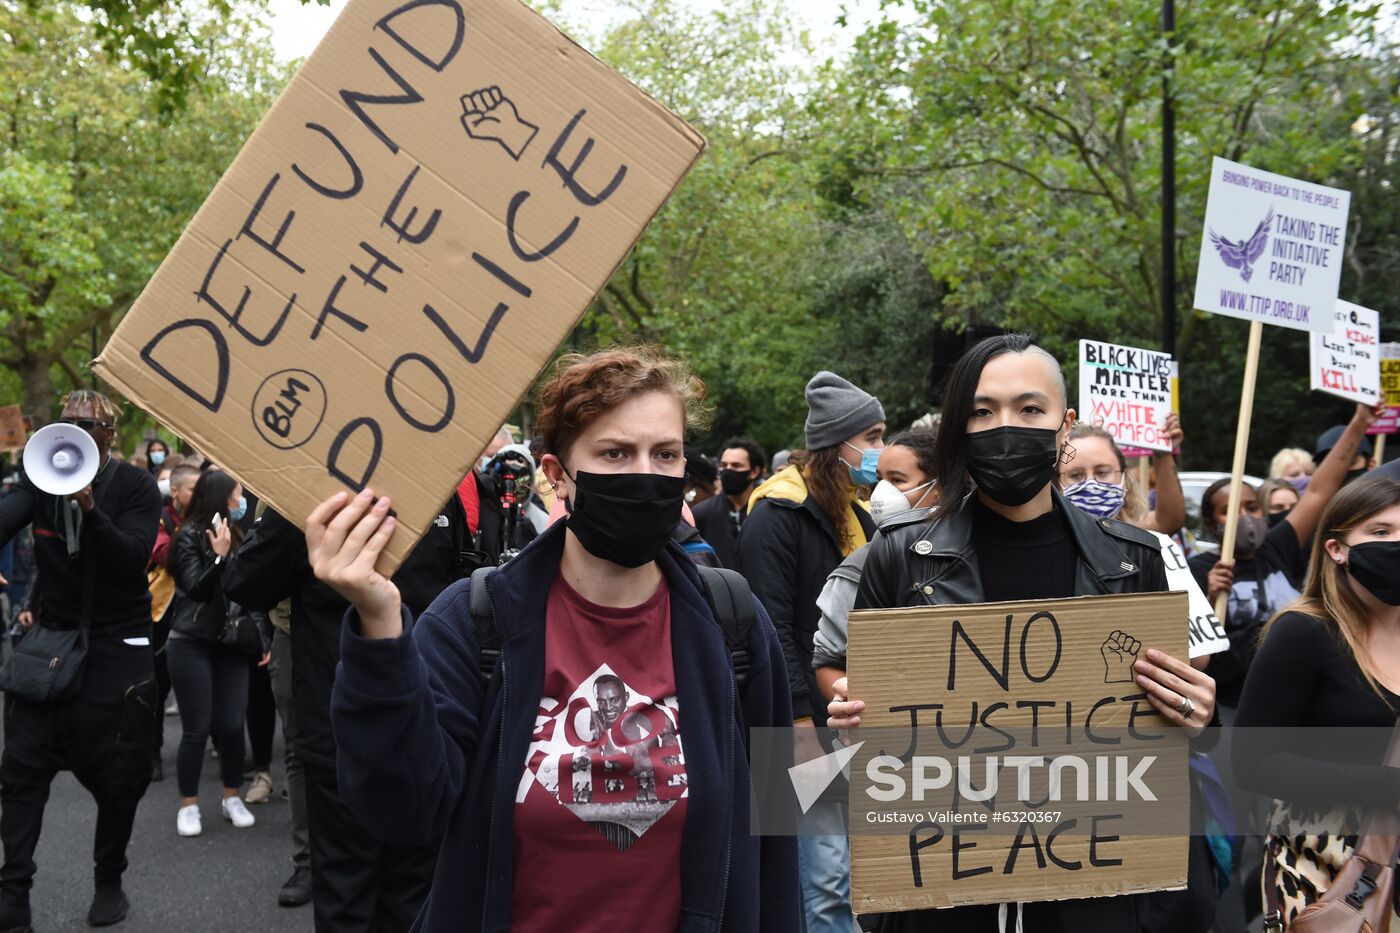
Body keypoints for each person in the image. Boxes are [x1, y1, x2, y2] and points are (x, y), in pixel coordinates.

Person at [320, 347, 800, 930]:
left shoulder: (734, 622)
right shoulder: (474, 620)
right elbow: (402, 813)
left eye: (665, 454)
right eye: (615, 453)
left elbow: (780, 826)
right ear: (556, 476)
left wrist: (845, 738)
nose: (645, 474)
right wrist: (378, 628)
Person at [830, 334, 1216, 932]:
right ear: (960, 429)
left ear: (1063, 428)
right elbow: (873, 739)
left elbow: (1157, 734)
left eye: (1029, 410)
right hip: (948, 885)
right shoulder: (900, 558)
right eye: (983, 411)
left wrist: (1192, 710)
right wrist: (857, 722)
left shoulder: (1132, 560)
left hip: (1092, 888)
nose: (1004, 426)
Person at [224, 491, 468, 928]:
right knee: (354, 890)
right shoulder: (306, 497)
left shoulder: (437, 491)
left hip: (419, 724)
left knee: (411, 890)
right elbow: (247, 583)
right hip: (343, 730)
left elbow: (459, 579)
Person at [0, 390, 162, 930]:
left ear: (110, 435)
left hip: (117, 642)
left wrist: (91, 509)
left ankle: (108, 878)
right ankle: (13, 894)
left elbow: (130, 558)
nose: (76, 431)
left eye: (88, 425)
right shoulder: (38, 476)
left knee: (120, 774)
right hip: (53, 641)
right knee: (20, 771)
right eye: (67, 422)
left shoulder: (136, 487)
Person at [739, 370, 883, 933]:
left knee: (856, 879)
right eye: (870, 436)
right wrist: (797, 718)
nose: (879, 450)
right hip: (799, 725)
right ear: (835, 444)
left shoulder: (859, 516)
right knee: (822, 884)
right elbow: (769, 623)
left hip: (853, 720)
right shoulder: (776, 515)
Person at [1234, 476, 1400, 927]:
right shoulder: (1304, 632)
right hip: (1325, 873)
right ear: (1337, 550)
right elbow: (1251, 762)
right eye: (1380, 533)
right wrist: (1387, 788)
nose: (1396, 543)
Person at [1190, 403, 1381, 712]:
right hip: (1227, 705)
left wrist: (1359, 423)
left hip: (1290, 698)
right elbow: (1193, 653)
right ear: (1212, 523)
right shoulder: (1197, 569)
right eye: (1230, 511)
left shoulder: (1277, 548)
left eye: (1251, 508)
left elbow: (1319, 493)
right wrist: (1209, 599)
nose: (1245, 517)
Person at [166, 470, 258, 837]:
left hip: (231, 643)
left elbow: (250, 594)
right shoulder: (188, 535)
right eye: (236, 496)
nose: (241, 504)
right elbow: (195, 589)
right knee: (197, 729)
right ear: (220, 498)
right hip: (191, 641)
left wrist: (261, 640)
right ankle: (188, 805)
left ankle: (231, 796)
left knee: (233, 726)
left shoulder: (238, 535)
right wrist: (218, 560)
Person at [812, 427, 939, 686]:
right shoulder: (859, 569)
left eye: (897, 480)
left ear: (940, 487)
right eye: (880, 479)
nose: (882, 493)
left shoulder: (982, 548)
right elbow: (829, 661)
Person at [1060, 419, 1186, 534]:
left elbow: (1170, 520)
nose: (1090, 484)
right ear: (1057, 482)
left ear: (1123, 480)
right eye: (1076, 475)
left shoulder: (1133, 534)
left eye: (1102, 472)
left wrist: (1162, 449)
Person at [692, 437, 766, 570]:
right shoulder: (702, 513)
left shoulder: (766, 512)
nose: (728, 470)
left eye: (736, 466)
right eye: (724, 465)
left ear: (754, 472)